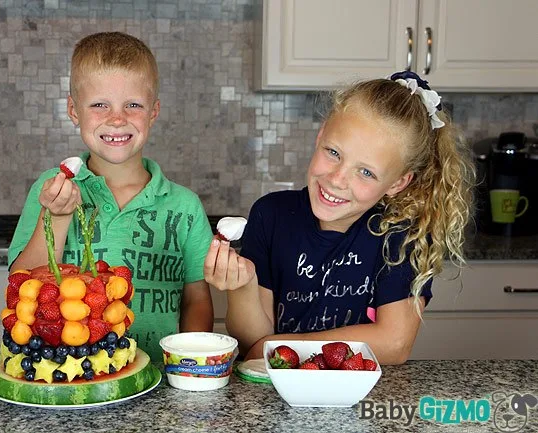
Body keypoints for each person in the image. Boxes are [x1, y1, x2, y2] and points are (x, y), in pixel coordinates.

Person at [204, 71, 475, 364]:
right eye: (333, 152)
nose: (337, 179)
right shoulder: (270, 215)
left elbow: (395, 343)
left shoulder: (400, 233)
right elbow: (255, 342)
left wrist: (280, 344)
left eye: (366, 172)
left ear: (398, 183)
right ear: (321, 136)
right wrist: (242, 287)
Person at [8, 32, 214, 361]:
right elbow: (23, 287)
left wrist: (186, 364)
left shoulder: (185, 206)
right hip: (69, 374)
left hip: (160, 380)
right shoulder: (50, 189)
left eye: (133, 105)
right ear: (74, 110)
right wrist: (57, 218)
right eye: (100, 104)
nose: (116, 119)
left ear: (153, 112)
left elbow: (197, 300)